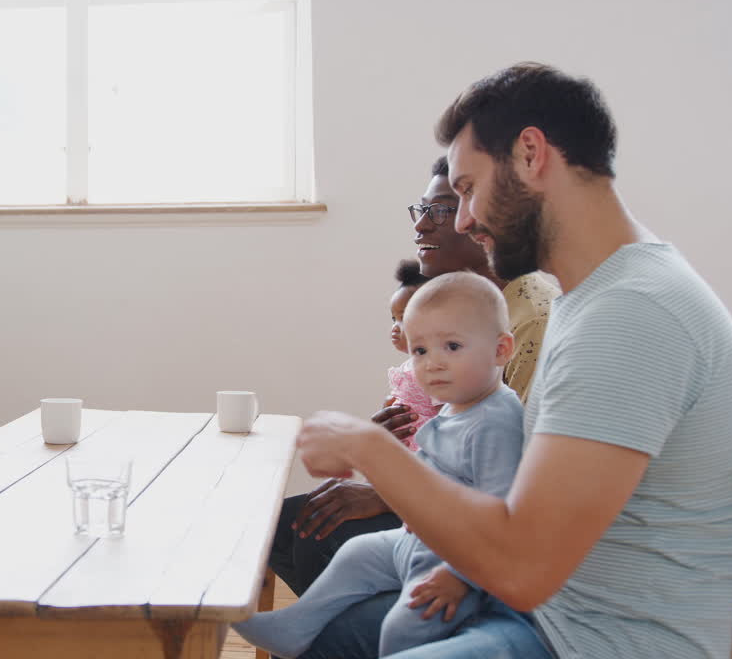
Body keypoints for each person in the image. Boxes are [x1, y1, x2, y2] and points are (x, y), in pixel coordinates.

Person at [296, 62, 732, 659]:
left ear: (531, 154)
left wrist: (368, 449)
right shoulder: (597, 294)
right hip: (544, 618)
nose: (464, 219)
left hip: (591, 642)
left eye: (468, 188)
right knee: (329, 629)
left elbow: (521, 569)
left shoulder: (631, 313)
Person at [270, 157, 558, 597]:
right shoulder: (467, 299)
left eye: (440, 210)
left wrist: (388, 494)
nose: (422, 225)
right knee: (284, 525)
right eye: (421, 210)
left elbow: (514, 468)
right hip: (443, 488)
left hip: (491, 522)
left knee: (320, 534)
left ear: (493, 216)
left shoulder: (532, 319)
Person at [235, 273, 523, 658]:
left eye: (452, 346)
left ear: (501, 350)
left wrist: (460, 577)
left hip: (454, 558)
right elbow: (426, 474)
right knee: (358, 554)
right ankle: (295, 625)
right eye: (420, 351)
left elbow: (501, 518)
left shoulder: (497, 421)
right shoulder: (456, 407)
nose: (433, 363)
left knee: (401, 628)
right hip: (415, 539)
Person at [386, 260, 439, 451]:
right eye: (394, 318)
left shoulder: (437, 368)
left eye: (404, 317)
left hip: (427, 452)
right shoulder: (410, 366)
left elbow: (450, 419)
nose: (395, 327)